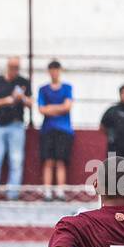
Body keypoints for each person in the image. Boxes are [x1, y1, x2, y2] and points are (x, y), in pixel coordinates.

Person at [0, 56, 31, 199]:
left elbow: (31, 102)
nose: (14, 70)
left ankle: (13, 194)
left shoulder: (23, 82)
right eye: (12, 67)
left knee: (16, 161)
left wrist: (20, 98)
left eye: (17, 67)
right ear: (7, 66)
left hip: (17, 125)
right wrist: (6, 100)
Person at [37, 60, 74, 197]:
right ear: (49, 72)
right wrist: (59, 108)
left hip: (64, 130)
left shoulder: (67, 87)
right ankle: (47, 191)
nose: (54, 72)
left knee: (60, 161)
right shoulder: (43, 89)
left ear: (60, 71)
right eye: (52, 69)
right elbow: (41, 109)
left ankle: (60, 191)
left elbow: (67, 107)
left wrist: (50, 108)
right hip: (47, 130)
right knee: (48, 161)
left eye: (56, 69)